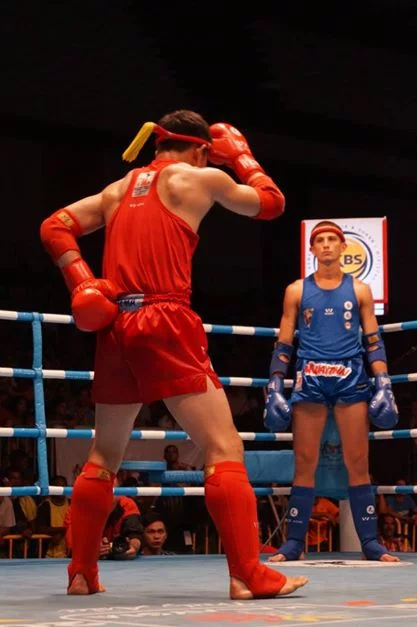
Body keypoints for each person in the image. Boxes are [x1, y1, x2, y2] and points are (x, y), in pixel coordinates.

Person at [40, 110, 307, 598]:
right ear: (201, 149)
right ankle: (247, 574)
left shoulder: (117, 189)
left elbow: (54, 226)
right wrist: (241, 158)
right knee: (224, 447)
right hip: (165, 319)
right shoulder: (199, 178)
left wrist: (83, 283)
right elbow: (271, 204)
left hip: (116, 324)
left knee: (104, 455)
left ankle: (82, 572)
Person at [263, 220, 400, 563]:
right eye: (320, 240)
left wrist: (383, 382)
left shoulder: (361, 290)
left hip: (350, 375)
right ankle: (294, 543)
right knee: (304, 462)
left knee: (358, 461)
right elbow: (284, 340)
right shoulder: (296, 290)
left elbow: (373, 340)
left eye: (331, 239)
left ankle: (370, 543)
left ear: (342, 247)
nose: (325, 244)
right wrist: (275, 383)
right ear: (312, 249)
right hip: (310, 374)